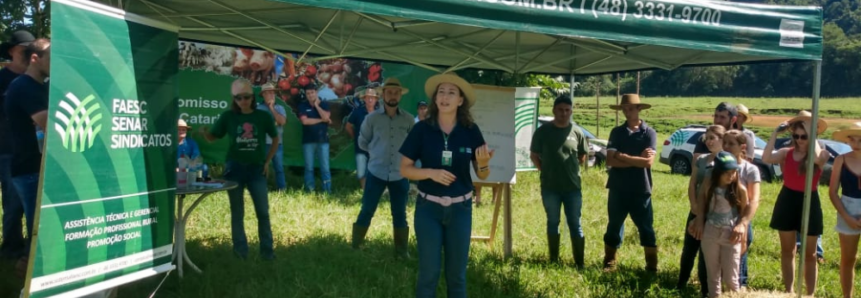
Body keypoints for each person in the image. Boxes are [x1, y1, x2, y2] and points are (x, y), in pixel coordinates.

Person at [399, 73, 493, 298]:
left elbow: (483, 173)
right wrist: (430, 173)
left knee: (457, 276)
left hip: (461, 210)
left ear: (460, 101)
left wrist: (482, 164)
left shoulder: (470, 130)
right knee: (428, 274)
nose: (445, 97)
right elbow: (404, 168)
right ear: (435, 99)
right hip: (428, 209)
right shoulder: (422, 129)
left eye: (451, 93)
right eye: (441, 92)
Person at [201, 78, 279, 260]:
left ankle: (268, 253)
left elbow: (275, 139)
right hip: (234, 169)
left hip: (256, 170)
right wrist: (205, 133)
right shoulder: (228, 117)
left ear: (252, 97)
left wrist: (267, 162)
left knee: (263, 212)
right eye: (238, 98)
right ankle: (240, 254)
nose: (243, 101)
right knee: (237, 213)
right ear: (234, 99)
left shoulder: (263, 116)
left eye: (246, 97)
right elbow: (213, 137)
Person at [762, 110, 830, 295]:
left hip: (810, 200)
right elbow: (766, 158)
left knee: (810, 254)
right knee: (787, 250)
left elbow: (817, 159)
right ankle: (789, 290)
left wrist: (812, 132)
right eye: (796, 135)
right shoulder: (786, 152)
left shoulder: (821, 153)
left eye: (804, 136)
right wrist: (775, 133)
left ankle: (810, 293)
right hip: (787, 199)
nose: (799, 140)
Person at [351, 79, 414, 259]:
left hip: (400, 173)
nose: (393, 96)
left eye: (396, 93)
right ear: (383, 94)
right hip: (376, 171)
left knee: (400, 213)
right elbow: (362, 142)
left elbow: (414, 145)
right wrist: (376, 152)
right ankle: (355, 246)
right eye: (389, 92)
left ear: (400, 95)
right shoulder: (371, 119)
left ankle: (402, 252)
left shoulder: (409, 119)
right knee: (367, 209)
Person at [4, 38, 50, 272]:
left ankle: (28, 268)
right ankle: (29, 276)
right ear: (35, 58)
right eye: (51, 58)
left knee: (40, 226)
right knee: (38, 228)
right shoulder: (23, 86)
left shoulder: (42, 87)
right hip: (28, 168)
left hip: (40, 166)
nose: (55, 64)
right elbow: (50, 123)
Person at [530, 94, 588, 267]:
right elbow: (534, 155)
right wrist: (544, 169)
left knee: (575, 224)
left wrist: (570, 169)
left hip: (573, 188)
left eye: (567, 110)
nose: (564, 113)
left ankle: (580, 264)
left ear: (571, 111)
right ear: (554, 110)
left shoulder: (577, 132)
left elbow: (582, 156)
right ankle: (554, 260)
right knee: (553, 222)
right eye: (561, 110)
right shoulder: (543, 132)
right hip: (550, 187)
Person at [602, 94, 658, 272]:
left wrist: (622, 156)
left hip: (641, 188)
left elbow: (647, 163)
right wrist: (636, 159)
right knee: (613, 226)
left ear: (639, 109)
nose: (627, 112)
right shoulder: (616, 132)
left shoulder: (649, 133)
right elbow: (610, 161)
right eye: (624, 109)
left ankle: (651, 266)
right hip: (618, 188)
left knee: (646, 228)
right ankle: (610, 261)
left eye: (630, 108)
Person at [689, 151, 750, 298]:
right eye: (726, 173)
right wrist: (699, 219)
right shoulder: (709, 181)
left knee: (731, 278)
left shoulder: (739, 189)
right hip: (711, 231)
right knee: (713, 275)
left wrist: (743, 237)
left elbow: (744, 214)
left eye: (733, 172)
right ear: (718, 172)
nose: (731, 176)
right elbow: (702, 199)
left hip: (731, 235)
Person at [678, 125, 725, 290]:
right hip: (696, 211)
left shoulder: (726, 161)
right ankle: (681, 283)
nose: (709, 142)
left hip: (714, 215)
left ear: (722, 139)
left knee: (707, 255)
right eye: (707, 138)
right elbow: (692, 184)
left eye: (712, 138)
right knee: (689, 249)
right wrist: (694, 207)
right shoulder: (701, 159)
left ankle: (705, 289)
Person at [0, 30, 33, 259]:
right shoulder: (2, 79)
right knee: (13, 202)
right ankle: (11, 248)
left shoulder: (38, 80)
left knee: (30, 201)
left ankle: (30, 247)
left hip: (33, 150)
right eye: (24, 49)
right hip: (7, 150)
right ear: (12, 51)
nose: (30, 53)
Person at [722, 129, 762, 290]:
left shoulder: (750, 170)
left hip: (740, 218)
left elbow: (754, 200)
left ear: (742, 147)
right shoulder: (717, 166)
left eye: (731, 144)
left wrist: (743, 223)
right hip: (718, 218)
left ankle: (740, 286)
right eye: (724, 143)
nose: (726, 146)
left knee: (740, 252)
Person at [827, 122, 861, 298]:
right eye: (852, 138)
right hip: (846, 209)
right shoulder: (841, 159)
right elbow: (832, 192)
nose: (855, 143)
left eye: (860, 139)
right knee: (849, 259)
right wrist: (847, 217)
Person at [298, 82, 332, 194]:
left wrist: (317, 106)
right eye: (308, 93)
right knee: (309, 168)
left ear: (316, 93)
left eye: (312, 93)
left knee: (325, 168)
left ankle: (327, 191)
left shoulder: (324, 104)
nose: (310, 95)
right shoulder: (302, 106)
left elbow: (326, 117)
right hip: (308, 141)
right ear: (306, 95)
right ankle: (309, 191)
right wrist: (322, 120)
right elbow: (305, 121)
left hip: (323, 141)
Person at [346, 86, 379, 189]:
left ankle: (372, 191)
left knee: (375, 172)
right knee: (361, 172)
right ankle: (364, 190)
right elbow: (348, 126)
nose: (370, 99)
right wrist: (354, 137)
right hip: (360, 148)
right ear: (364, 99)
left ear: (376, 100)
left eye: (372, 97)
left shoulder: (380, 114)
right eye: (368, 97)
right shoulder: (358, 112)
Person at [257, 82, 287, 191]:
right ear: (263, 95)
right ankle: (261, 189)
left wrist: (271, 108)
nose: (272, 95)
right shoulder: (258, 109)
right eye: (269, 93)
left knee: (279, 168)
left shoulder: (280, 108)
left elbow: (282, 121)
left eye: (273, 93)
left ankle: (282, 190)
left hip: (277, 144)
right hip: (263, 143)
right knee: (262, 168)